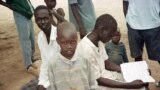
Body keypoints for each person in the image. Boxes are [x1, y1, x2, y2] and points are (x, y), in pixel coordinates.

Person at [78, 14, 146, 90]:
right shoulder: (87, 49)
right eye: (110, 35)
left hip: (106, 76)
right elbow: (99, 80)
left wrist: (127, 70)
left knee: (139, 79)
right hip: (97, 85)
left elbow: (107, 63)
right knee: (139, 88)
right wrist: (128, 85)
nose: (110, 39)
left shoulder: (98, 41)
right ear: (102, 30)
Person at [48, 22, 97, 90]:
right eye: (65, 43)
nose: (69, 46)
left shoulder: (85, 58)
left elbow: (92, 83)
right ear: (57, 41)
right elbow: (52, 87)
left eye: (73, 42)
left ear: (77, 39)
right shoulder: (53, 63)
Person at [123, 0, 160, 87]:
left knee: (159, 56)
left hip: (154, 24)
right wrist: (128, 19)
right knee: (137, 57)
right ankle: (143, 83)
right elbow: (125, 2)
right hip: (133, 25)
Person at [0, 0, 38, 75]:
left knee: (32, 39)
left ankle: (32, 59)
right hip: (20, 14)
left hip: (28, 14)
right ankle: (28, 65)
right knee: (25, 40)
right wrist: (8, 6)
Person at [34, 5, 60, 90]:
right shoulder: (40, 37)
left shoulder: (60, 35)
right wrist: (41, 83)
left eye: (45, 18)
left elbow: (64, 67)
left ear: (51, 18)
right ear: (35, 20)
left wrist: (47, 85)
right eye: (39, 19)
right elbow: (45, 63)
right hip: (50, 75)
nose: (42, 22)